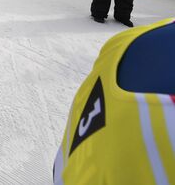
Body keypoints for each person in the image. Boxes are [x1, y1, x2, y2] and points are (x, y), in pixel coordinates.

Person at [53, 17, 175, 185]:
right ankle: (102, 12)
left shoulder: (127, 41)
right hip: (82, 167)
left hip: (70, 169)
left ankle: (118, 13)